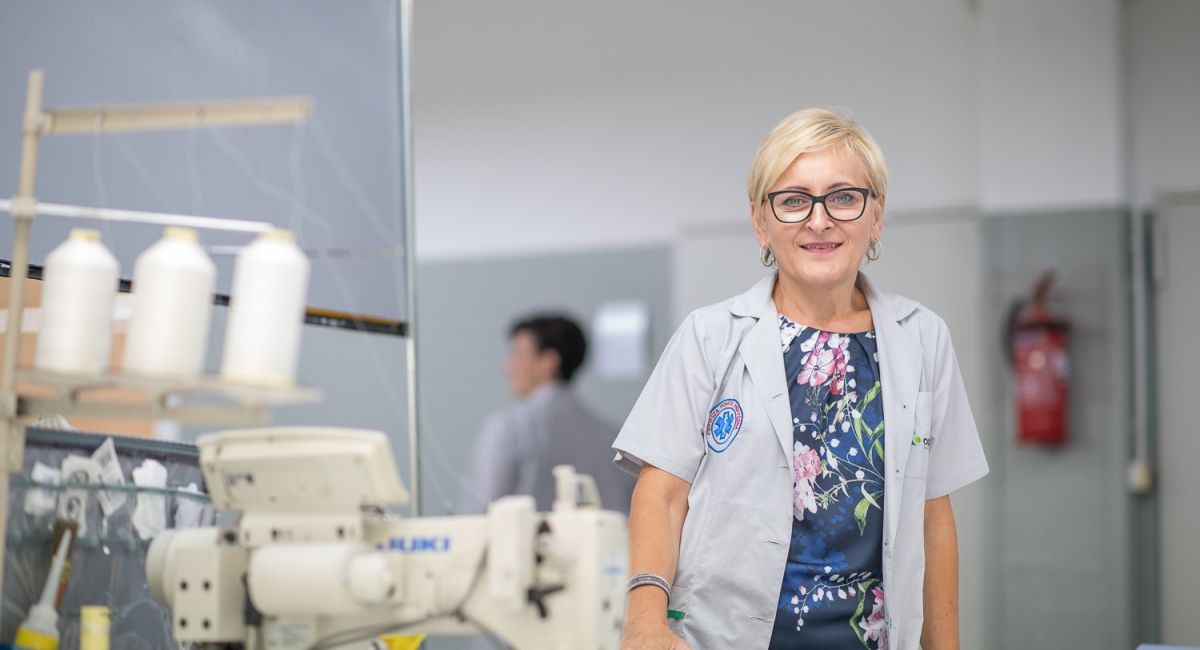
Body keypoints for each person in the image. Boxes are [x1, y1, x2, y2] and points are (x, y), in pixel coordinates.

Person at [613, 109, 988, 650]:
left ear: (875, 217)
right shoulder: (710, 336)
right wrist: (645, 620)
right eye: (793, 200)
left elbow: (933, 515)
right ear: (761, 222)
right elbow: (661, 495)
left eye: (843, 197)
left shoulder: (922, 338)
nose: (819, 220)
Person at [457, 314, 634, 515]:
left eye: (518, 355)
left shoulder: (507, 429)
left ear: (548, 362)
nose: (508, 367)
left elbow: (479, 514)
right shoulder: (614, 438)